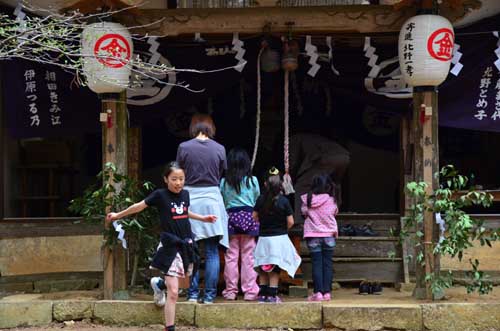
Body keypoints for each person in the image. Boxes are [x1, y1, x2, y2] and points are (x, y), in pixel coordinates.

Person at [106, 162, 216, 331]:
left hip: (186, 244)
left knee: (183, 286)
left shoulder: (186, 194)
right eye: (174, 179)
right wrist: (117, 215)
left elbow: (184, 212)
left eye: (181, 179)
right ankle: (169, 327)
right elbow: (139, 206)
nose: (178, 183)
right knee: (173, 292)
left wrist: (203, 218)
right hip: (169, 246)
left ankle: (158, 284)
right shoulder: (160, 195)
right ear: (166, 179)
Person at [176, 113, 229, 304]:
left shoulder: (184, 147)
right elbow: (222, 172)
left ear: (193, 127)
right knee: (212, 251)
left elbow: (178, 173)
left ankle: (191, 294)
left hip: (190, 199)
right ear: (211, 127)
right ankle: (208, 296)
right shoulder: (220, 149)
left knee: (191, 249)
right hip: (213, 199)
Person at [252, 167, 302, 303]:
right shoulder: (284, 201)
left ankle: (262, 295)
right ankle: (273, 295)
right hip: (279, 239)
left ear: (265, 184)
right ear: (280, 184)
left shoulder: (261, 200)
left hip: (263, 238)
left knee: (263, 265)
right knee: (275, 267)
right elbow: (291, 221)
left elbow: (254, 216)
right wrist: (282, 228)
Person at [220, 148, 260, 301]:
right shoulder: (253, 180)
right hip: (250, 218)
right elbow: (257, 199)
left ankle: (231, 291)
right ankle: (250, 291)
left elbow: (223, 201)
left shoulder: (223, 182)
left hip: (230, 220)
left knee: (231, 257)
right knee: (249, 256)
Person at [300, 174, 338, 301]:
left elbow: (304, 213)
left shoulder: (308, 200)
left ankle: (318, 293)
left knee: (316, 264)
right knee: (327, 264)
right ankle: (327, 293)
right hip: (329, 236)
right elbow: (335, 212)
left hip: (313, 236)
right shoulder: (332, 200)